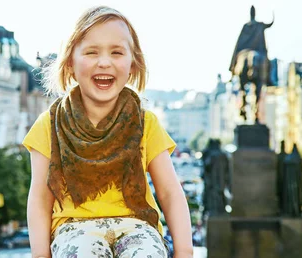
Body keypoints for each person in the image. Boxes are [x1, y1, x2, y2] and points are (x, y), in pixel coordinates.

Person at [22, 5, 194, 258]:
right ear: (70, 62)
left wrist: (185, 252)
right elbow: (39, 197)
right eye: (91, 52)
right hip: (73, 229)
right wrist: (40, 254)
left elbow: (170, 192)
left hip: (137, 226)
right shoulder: (48, 124)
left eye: (117, 52)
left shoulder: (146, 122)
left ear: (133, 64)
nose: (104, 62)